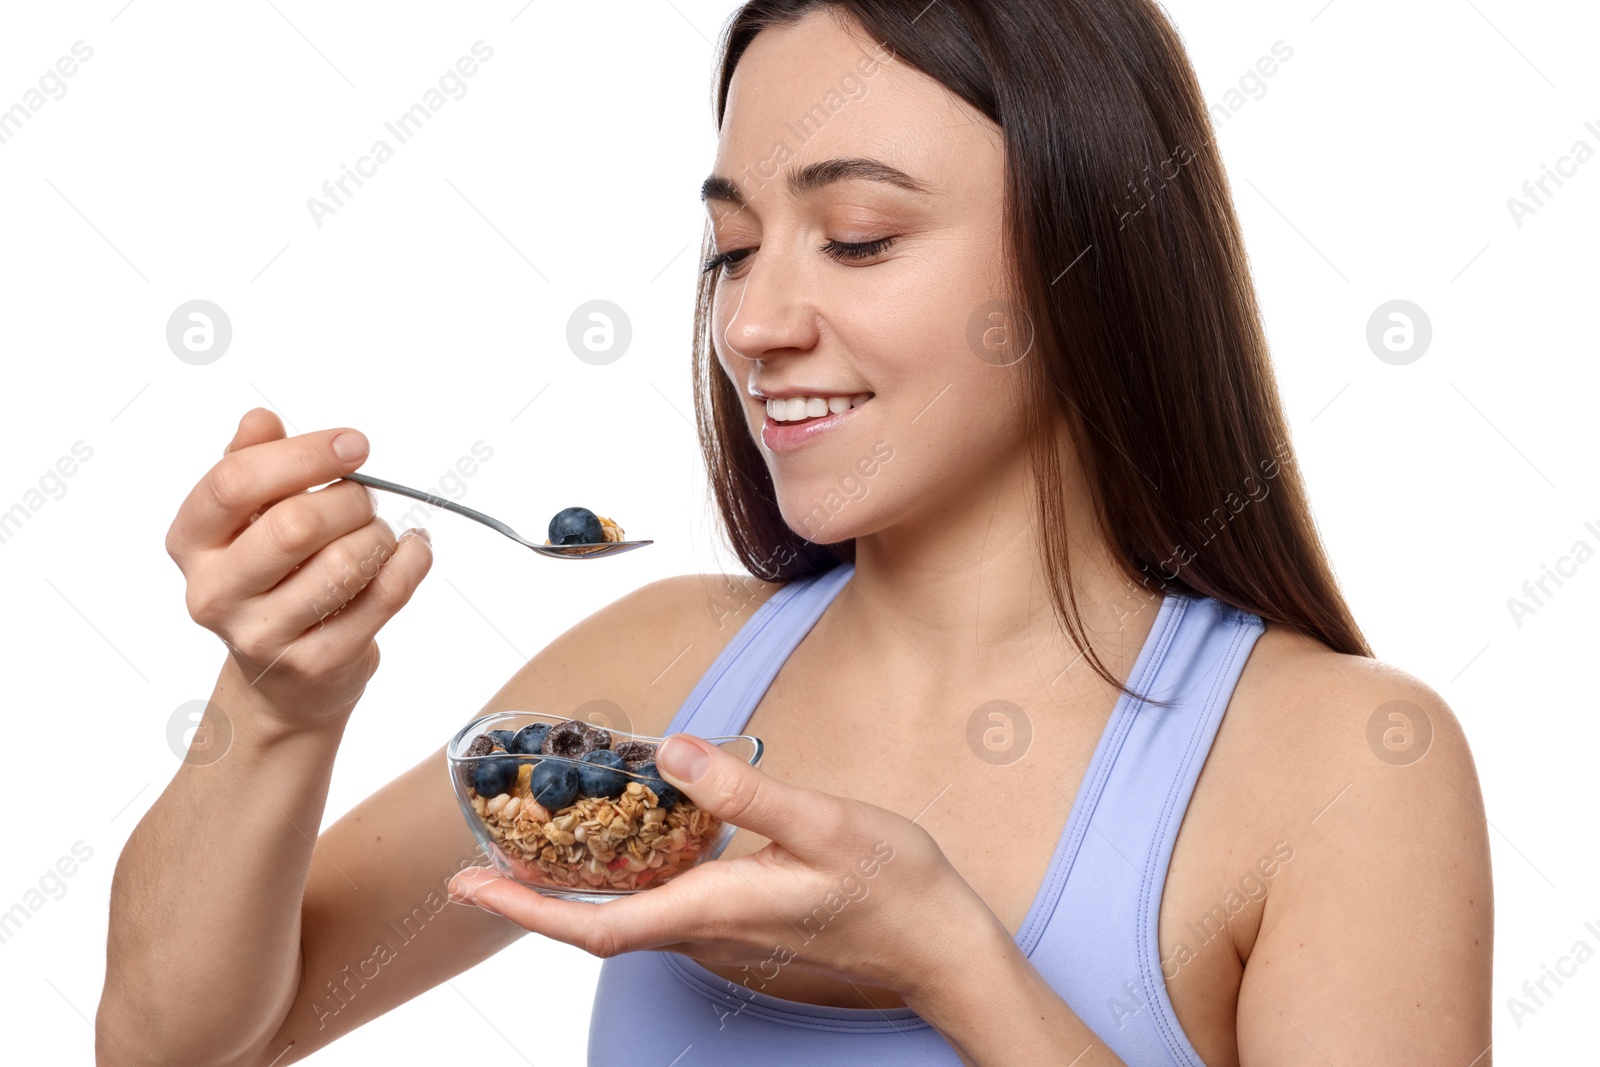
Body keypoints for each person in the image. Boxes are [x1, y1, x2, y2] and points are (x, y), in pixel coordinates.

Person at [97, 2, 1493, 1064]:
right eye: (732, 248)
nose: (754, 325)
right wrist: (280, 707)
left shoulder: (1346, 769)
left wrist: (956, 960)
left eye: (862, 237)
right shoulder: (661, 675)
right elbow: (184, 1043)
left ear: (1095, 250)